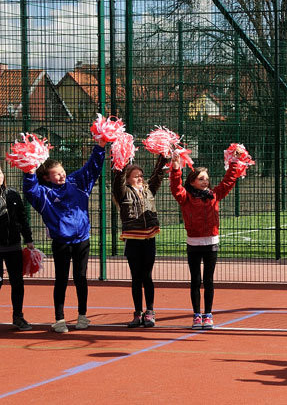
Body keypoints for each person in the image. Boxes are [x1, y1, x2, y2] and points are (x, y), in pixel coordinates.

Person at [23, 138, 106, 333]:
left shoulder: (77, 182)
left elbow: (92, 167)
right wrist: (29, 169)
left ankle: (82, 317)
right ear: (46, 178)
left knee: (81, 278)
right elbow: (30, 189)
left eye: (62, 172)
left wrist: (100, 146)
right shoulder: (43, 194)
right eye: (56, 174)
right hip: (61, 242)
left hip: (82, 240)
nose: (61, 176)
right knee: (61, 279)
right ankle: (59, 320)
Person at [169, 150, 243, 330]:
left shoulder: (214, 195)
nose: (205, 181)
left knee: (208, 280)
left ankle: (208, 314)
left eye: (206, 178)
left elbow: (228, 182)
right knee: (195, 280)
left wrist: (234, 161)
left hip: (211, 243)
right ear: (193, 181)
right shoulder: (185, 196)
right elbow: (175, 187)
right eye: (201, 178)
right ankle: (196, 315)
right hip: (193, 244)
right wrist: (176, 167)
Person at [112, 155, 167, 328]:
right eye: (136, 176)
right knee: (136, 277)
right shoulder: (123, 192)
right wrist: (123, 159)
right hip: (133, 239)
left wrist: (163, 157)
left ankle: (150, 312)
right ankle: (137, 313)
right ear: (127, 178)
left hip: (149, 238)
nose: (140, 178)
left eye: (141, 175)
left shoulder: (148, 189)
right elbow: (117, 179)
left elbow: (158, 174)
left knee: (147, 276)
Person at [0, 165, 35, 331]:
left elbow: (22, 218)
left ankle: (18, 316)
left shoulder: (12, 194)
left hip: (13, 246)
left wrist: (28, 239)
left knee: (17, 283)